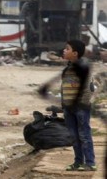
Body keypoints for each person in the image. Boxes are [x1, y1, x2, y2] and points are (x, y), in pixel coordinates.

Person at [38, 40, 96, 172]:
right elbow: (64, 89)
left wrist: (81, 104)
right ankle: (78, 162)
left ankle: (90, 162)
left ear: (75, 53)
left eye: (67, 49)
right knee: (74, 136)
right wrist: (64, 105)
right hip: (69, 108)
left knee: (84, 135)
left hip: (80, 108)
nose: (64, 51)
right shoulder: (67, 69)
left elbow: (89, 89)